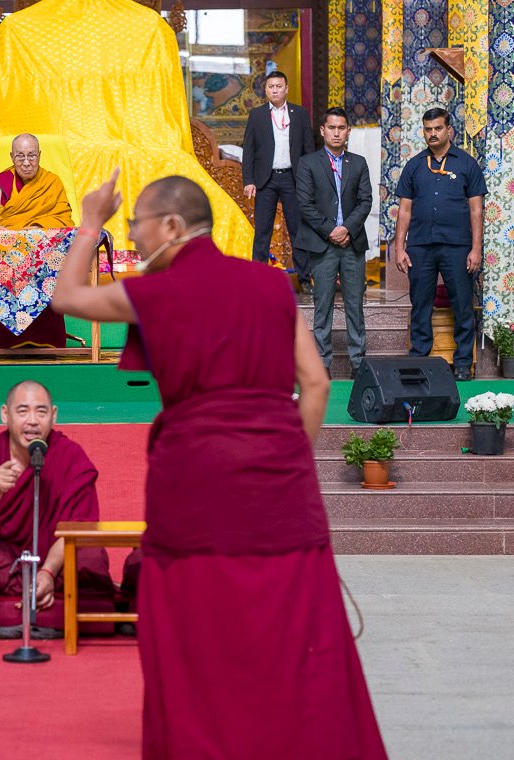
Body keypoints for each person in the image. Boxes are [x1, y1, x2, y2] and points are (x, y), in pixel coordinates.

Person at [52, 171, 386, 758]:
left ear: (171, 226)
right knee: (289, 632)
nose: (131, 238)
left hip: (195, 484)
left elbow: (66, 298)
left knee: (199, 632)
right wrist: (285, 456)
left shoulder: (155, 293)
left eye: (136, 226)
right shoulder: (271, 284)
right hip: (280, 489)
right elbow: (316, 383)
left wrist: (89, 223)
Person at [0, 380, 113, 638]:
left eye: (41, 412)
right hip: (4, 557)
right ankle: (49, 606)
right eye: (22, 411)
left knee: (90, 558)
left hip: (56, 559)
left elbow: (78, 527)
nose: (32, 421)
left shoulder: (71, 456)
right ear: (5, 414)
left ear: (54, 415)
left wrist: (48, 571)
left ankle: (13, 604)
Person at [393, 107, 485, 381]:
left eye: (438, 128)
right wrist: (399, 247)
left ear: (449, 130)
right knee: (420, 304)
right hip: (420, 246)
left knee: (462, 305)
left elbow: (476, 210)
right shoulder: (414, 165)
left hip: (457, 246)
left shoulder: (467, 164)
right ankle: (419, 360)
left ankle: (463, 363)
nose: (432, 134)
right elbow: (404, 210)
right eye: (428, 129)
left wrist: (476, 248)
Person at [294, 107, 373, 378]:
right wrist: (332, 231)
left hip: (352, 243)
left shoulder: (358, 163)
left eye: (341, 128)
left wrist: (347, 228)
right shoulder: (308, 163)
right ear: (323, 131)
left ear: (348, 131)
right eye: (332, 128)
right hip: (322, 244)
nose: (336, 133)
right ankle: (321, 364)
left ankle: (358, 364)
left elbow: (365, 201)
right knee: (323, 306)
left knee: (355, 306)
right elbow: (305, 204)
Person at [0, 133, 74, 349]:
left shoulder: (52, 182)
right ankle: (2, 341)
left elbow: (63, 220)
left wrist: (36, 231)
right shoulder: (2, 182)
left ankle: (47, 339)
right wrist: (17, 238)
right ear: (11, 157)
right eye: (20, 156)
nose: (26, 162)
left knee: (49, 270)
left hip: (43, 251)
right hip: (7, 250)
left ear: (39, 155)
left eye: (31, 155)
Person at [242, 70, 315, 289]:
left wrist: (309, 180)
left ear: (286, 89)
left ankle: (305, 279)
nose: (275, 90)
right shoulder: (257, 115)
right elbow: (249, 150)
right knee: (262, 231)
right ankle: (257, 279)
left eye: (279, 86)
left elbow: (308, 149)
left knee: (298, 230)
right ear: (265, 90)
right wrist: (249, 180)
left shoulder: (299, 114)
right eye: (271, 87)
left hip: (293, 178)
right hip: (266, 180)